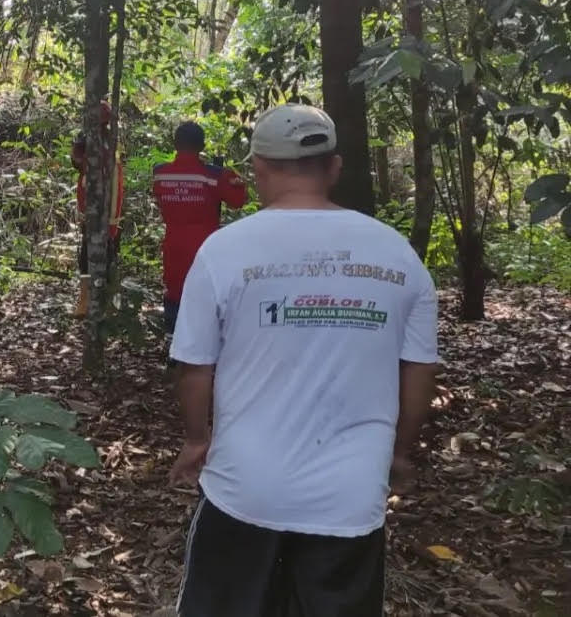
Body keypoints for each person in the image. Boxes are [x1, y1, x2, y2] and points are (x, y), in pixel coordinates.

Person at [168, 104, 439, 616]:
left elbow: (195, 368)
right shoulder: (398, 254)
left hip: (245, 487)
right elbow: (419, 369)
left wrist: (196, 439)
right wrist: (399, 454)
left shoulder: (224, 250)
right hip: (352, 491)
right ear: (335, 167)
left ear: (259, 168)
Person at [153, 122, 247, 338]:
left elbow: (160, 197)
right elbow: (238, 200)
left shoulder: (160, 173)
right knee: (206, 291)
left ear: (175, 143)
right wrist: (230, 175)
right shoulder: (215, 176)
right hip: (205, 246)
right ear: (202, 145)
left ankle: (173, 342)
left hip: (173, 243)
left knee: (175, 289)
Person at [72, 101, 124, 318]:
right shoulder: (97, 142)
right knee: (97, 253)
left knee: (100, 253)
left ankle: (103, 302)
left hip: (104, 209)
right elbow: (77, 164)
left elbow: (78, 164)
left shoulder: (104, 144)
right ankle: (94, 301)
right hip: (101, 209)